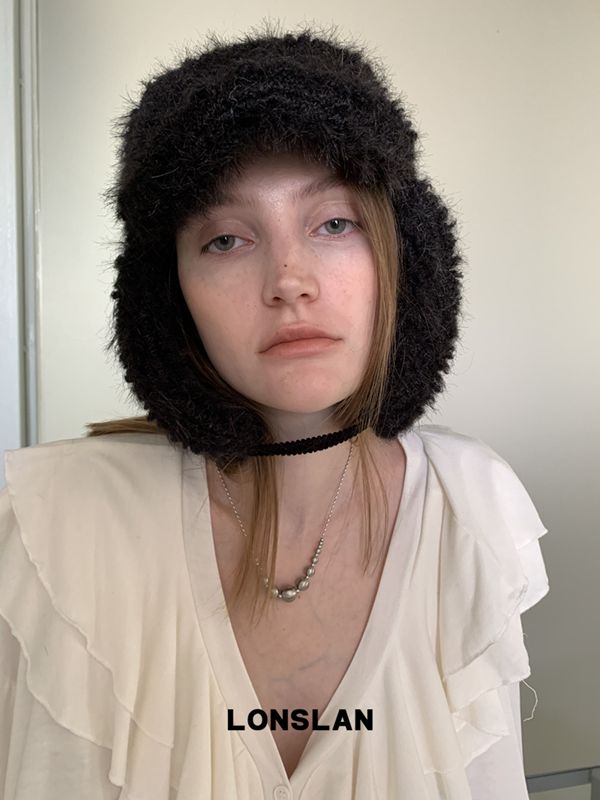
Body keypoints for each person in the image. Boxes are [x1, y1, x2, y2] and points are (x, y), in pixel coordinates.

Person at [0, 23, 549, 799]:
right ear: (168, 297)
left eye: (334, 223)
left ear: (403, 254)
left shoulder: (474, 512)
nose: (289, 280)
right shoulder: (47, 526)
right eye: (227, 240)